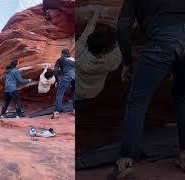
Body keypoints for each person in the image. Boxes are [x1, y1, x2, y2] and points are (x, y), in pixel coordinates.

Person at [108, 0, 185, 179]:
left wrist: (127, 62)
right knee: (182, 99)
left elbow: (122, 28)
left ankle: (125, 163)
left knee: (137, 102)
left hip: (162, 42)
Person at [76, 7, 122, 110]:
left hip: (77, 91)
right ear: (106, 50)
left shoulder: (79, 52)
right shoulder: (112, 62)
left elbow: (86, 33)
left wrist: (95, 14)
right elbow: (120, 45)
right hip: (92, 94)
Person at [52, 49, 75, 119]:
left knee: (60, 93)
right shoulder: (73, 59)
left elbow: (55, 71)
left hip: (67, 75)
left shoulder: (60, 59)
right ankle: (74, 110)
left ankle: (56, 112)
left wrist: (56, 80)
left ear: (62, 54)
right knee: (74, 93)